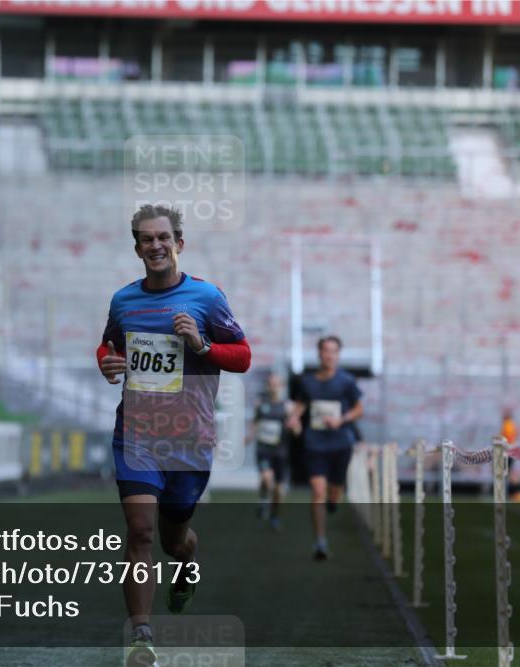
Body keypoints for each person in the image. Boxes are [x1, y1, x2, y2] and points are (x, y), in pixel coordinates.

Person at [97, 205, 250, 666]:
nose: (156, 246)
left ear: (178, 244)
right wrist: (105, 361)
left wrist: (201, 345)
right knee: (139, 532)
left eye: (164, 238)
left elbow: (242, 356)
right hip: (137, 435)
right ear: (137, 247)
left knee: (172, 538)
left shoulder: (206, 298)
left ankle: (186, 564)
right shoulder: (123, 301)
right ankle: (141, 637)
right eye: (147, 240)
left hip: (190, 440)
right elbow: (109, 344)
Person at [288, 335, 363, 561]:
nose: (329, 355)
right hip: (315, 443)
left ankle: (333, 500)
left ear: (338, 355)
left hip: (341, 443)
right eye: (325, 351)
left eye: (333, 351)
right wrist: (294, 418)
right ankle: (320, 542)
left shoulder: (347, 381)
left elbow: (359, 409)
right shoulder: (307, 382)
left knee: (333, 493)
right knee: (318, 491)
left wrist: (341, 420)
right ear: (319, 354)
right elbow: (301, 405)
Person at [249, 372, 291, 530]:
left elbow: (296, 427)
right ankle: (263, 500)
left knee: (279, 488)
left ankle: (275, 515)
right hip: (263, 448)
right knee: (266, 478)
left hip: (280, 451)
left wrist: (295, 428)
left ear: (281, 386)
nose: (273, 387)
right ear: (268, 386)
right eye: (271, 384)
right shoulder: (261, 403)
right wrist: (250, 436)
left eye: (276, 384)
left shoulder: (288, 406)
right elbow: (255, 422)